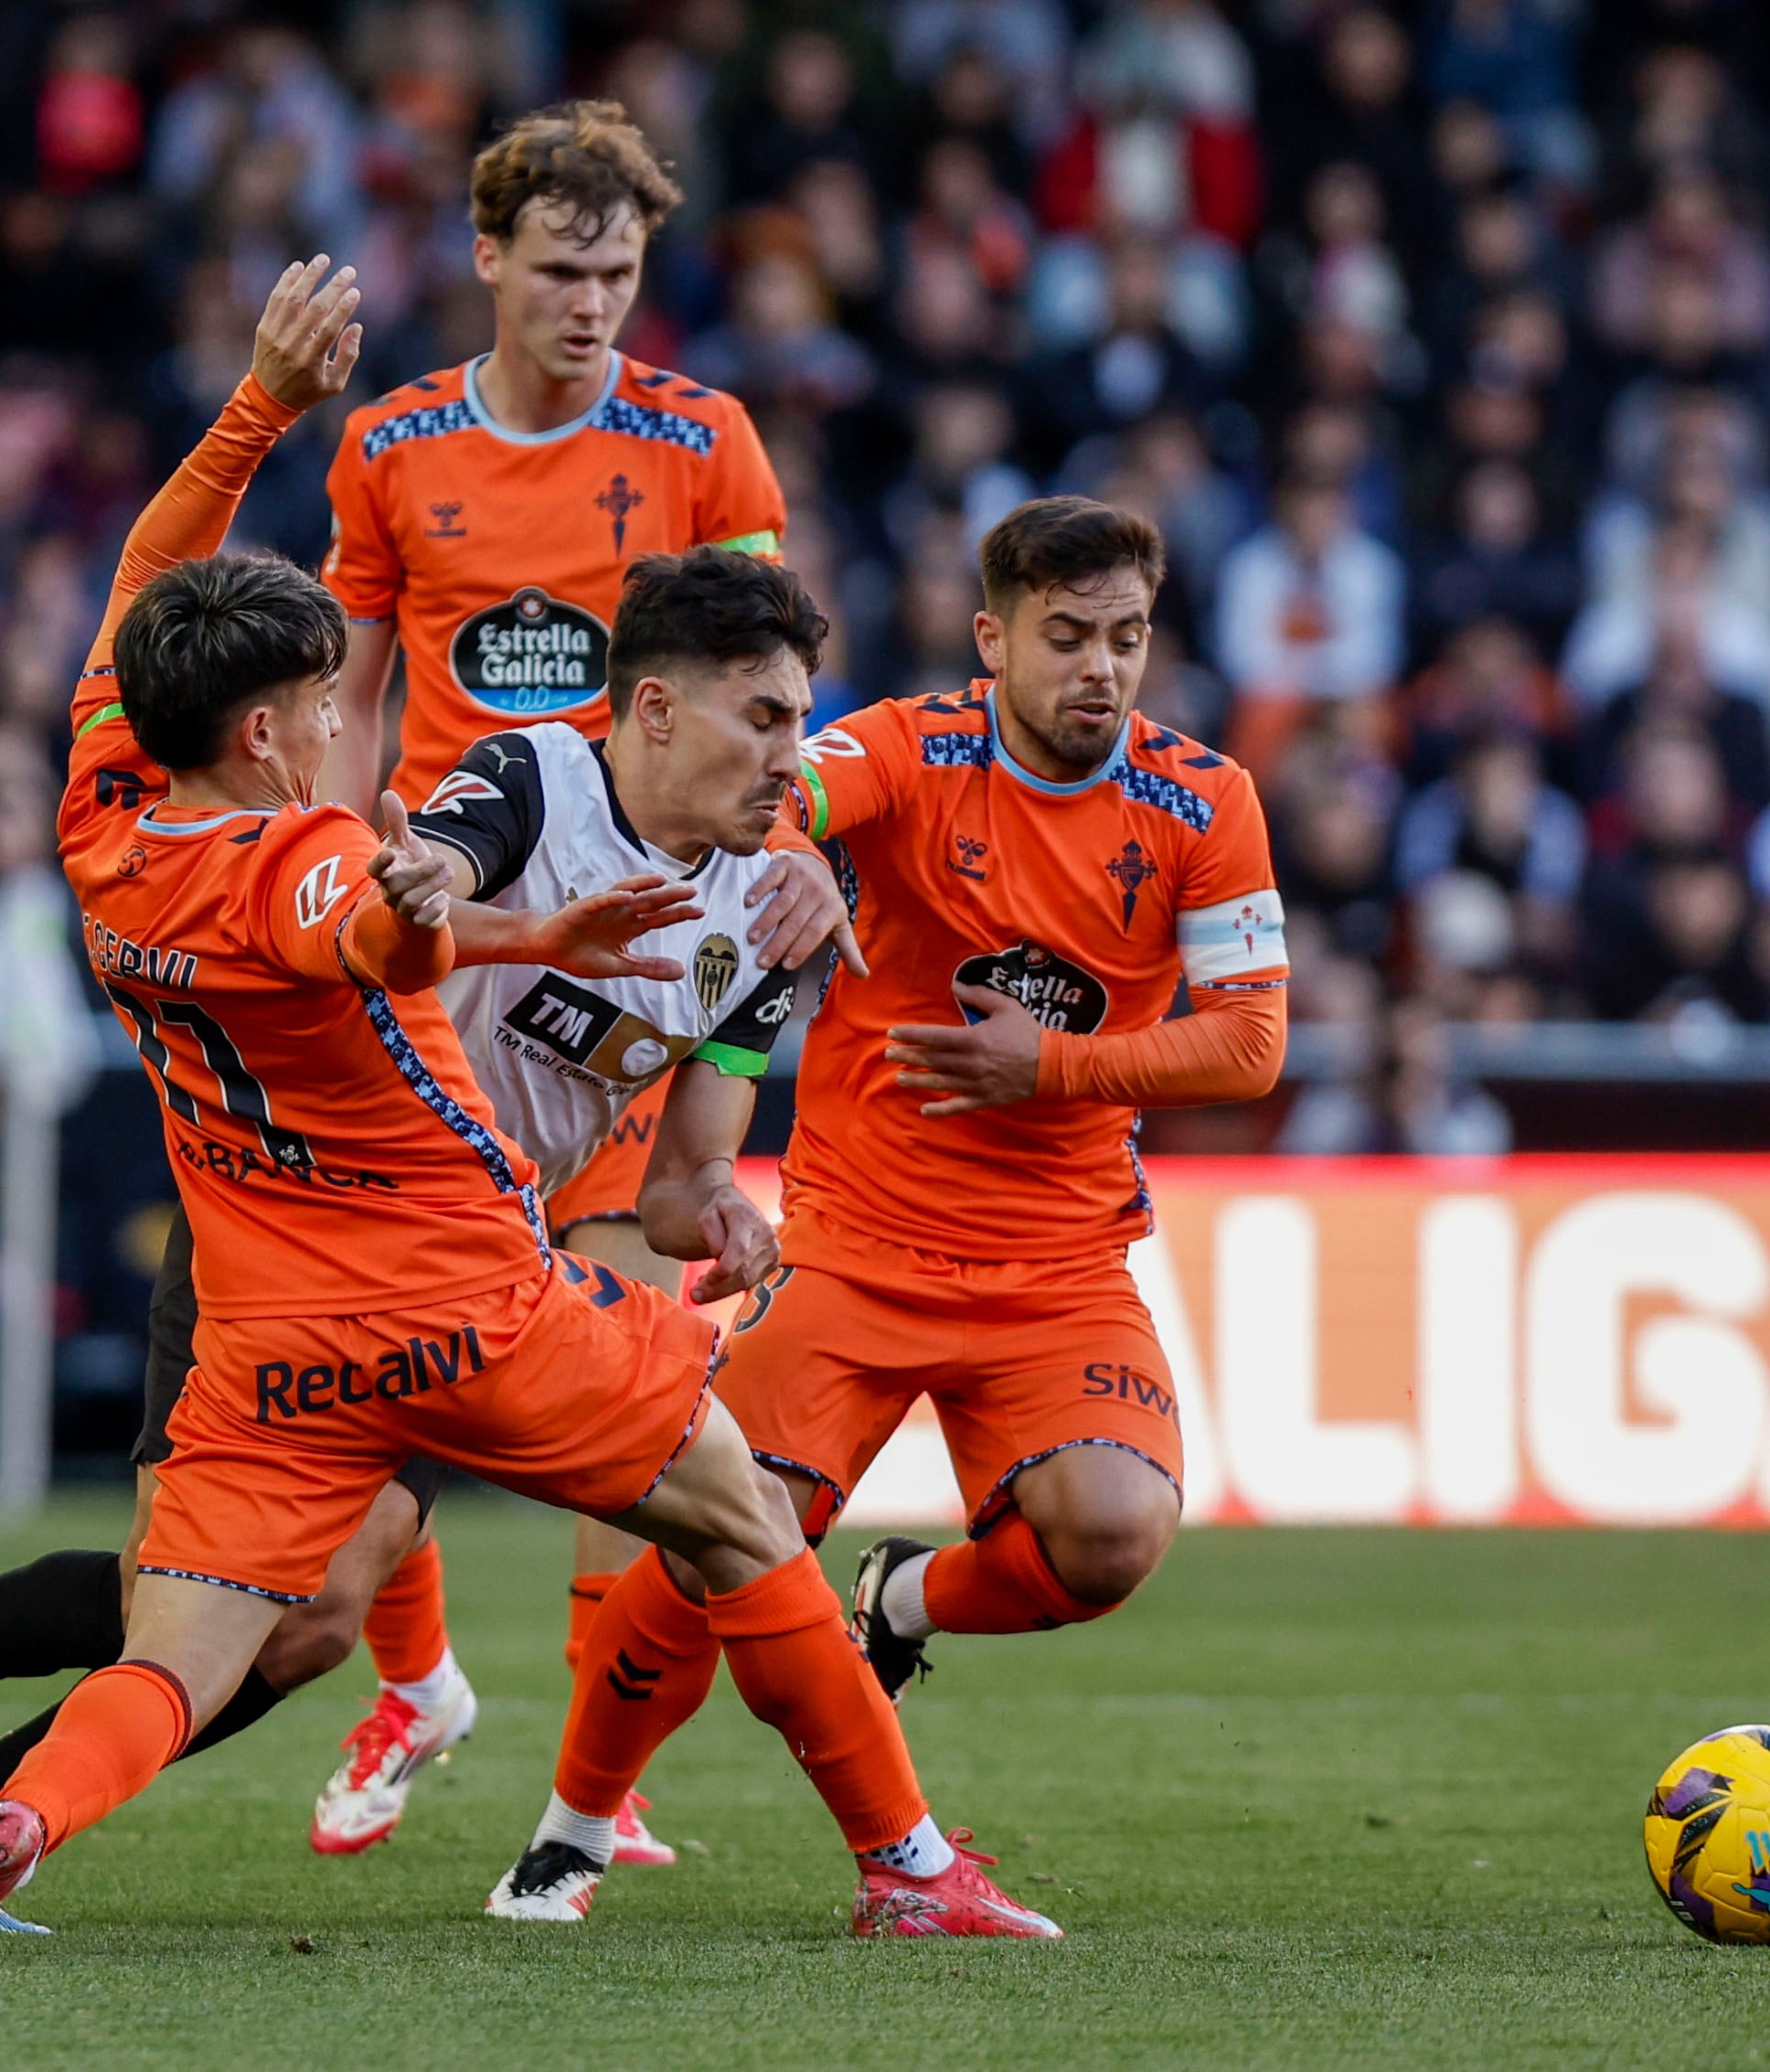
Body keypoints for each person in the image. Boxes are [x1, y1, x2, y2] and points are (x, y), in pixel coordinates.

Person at [0, 256, 1050, 1957]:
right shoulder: (343, 842)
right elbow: (388, 910)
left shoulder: (103, 806)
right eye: (323, 702)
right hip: (462, 1281)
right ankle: (907, 1866)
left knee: (194, 1649)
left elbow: (144, 572)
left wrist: (259, 402)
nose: (348, 721)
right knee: (733, 1513)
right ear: (262, 733)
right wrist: (517, 916)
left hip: (273, 1315)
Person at [481, 496, 1292, 1920]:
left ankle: (899, 1601)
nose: (1100, 668)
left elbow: (1252, 1041)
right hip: (857, 1242)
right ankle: (575, 1825)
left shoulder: (1203, 800)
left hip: (1060, 1261)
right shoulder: (911, 749)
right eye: (1066, 637)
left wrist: (1048, 1065)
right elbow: (797, 780)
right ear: (994, 640)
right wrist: (791, 845)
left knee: (1108, 1538)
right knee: (712, 1537)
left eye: (1127, 637)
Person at [304, 97, 814, 1854]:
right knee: (374, 1399)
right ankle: (413, 1666)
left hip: (633, 953)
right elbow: (349, 676)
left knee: (635, 1370)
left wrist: (793, 832)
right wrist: (323, 852)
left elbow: (770, 669)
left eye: (621, 269)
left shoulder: (704, 438)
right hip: (450, 937)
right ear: (489, 258)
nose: (596, 301)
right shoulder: (389, 446)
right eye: (564, 268)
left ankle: (604, 1775)